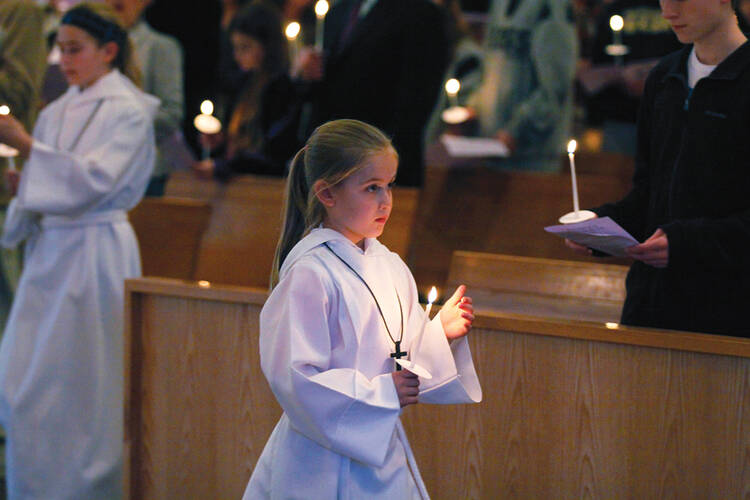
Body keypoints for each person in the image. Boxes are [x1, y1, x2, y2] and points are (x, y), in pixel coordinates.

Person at [243, 119, 482, 498]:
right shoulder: (310, 273)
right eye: (372, 187)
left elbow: (402, 355)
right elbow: (295, 378)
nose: (386, 200)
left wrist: (439, 334)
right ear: (327, 193)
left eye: (389, 186)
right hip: (319, 460)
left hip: (380, 452)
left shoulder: (389, 264)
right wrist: (381, 392)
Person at [0, 3, 157, 497]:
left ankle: (89, 486)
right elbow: (54, 182)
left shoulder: (129, 110)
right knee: (31, 373)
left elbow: (96, 178)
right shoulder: (54, 111)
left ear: (108, 51)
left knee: (87, 375)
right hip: (51, 254)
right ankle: (34, 483)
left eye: (75, 50)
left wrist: (27, 147)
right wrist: (25, 185)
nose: (64, 60)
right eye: (60, 49)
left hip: (96, 251)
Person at [566, 0, 750, 336]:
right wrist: (601, 227)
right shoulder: (665, 77)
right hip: (650, 307)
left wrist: (685, 243)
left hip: (726, 315)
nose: (668, 11)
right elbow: (649, 197)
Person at [298, 0, 451, 187]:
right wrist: (304, 73)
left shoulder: (420, 14)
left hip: (378, 167)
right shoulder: (338, 11)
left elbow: (414, 106)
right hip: (330, 161)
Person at [193, 1, 299, 180]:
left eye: (246, 47)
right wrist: (220, 141)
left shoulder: (281, 90)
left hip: (264, 190)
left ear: (267, 46)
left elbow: (274, 154)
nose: (237, 56)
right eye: (235, 47)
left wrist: (224, 166)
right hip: (236, 187)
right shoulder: (243, 85)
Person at [466, 0, 578, 171]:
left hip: (532, 156)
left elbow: (555, 84)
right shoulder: (499, 4)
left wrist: (516, 130)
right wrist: (473, 106)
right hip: (492, 145)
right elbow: (488, 65)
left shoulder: (552, 6)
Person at [107, 0, 184, 196]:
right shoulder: (88, 47)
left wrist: (122, 121)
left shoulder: (159, 46)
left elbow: (171, 114)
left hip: (142, 171)